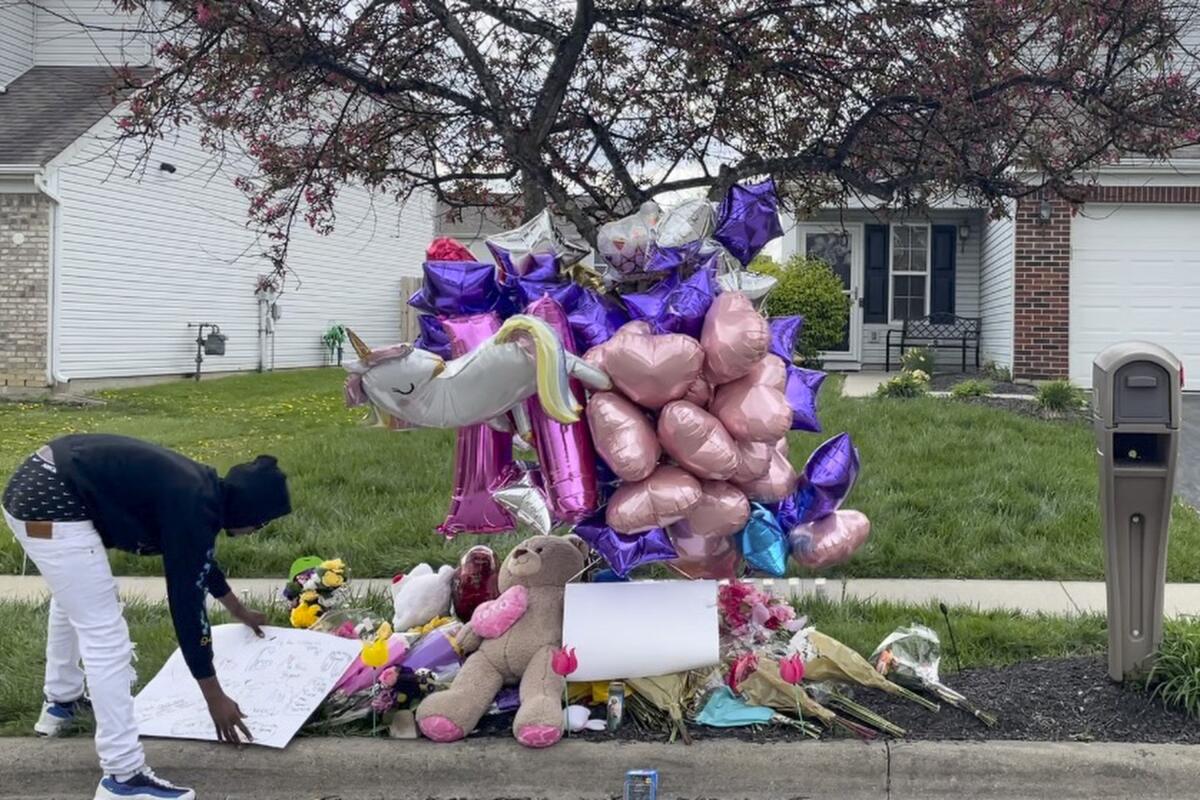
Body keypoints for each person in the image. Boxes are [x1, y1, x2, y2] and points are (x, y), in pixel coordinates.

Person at [2, 434, 292, 800]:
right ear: (250, 513)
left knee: (77, 597)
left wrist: (238, 610)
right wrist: (214, 695)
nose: (255, 533)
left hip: (38, 485)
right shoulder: (194, 505)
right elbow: (187, 606)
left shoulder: (202, 491)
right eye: (262, 524)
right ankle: (123, 776)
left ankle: (62, 704)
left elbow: (197, 563)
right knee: (104, 634)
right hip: (51, 500)